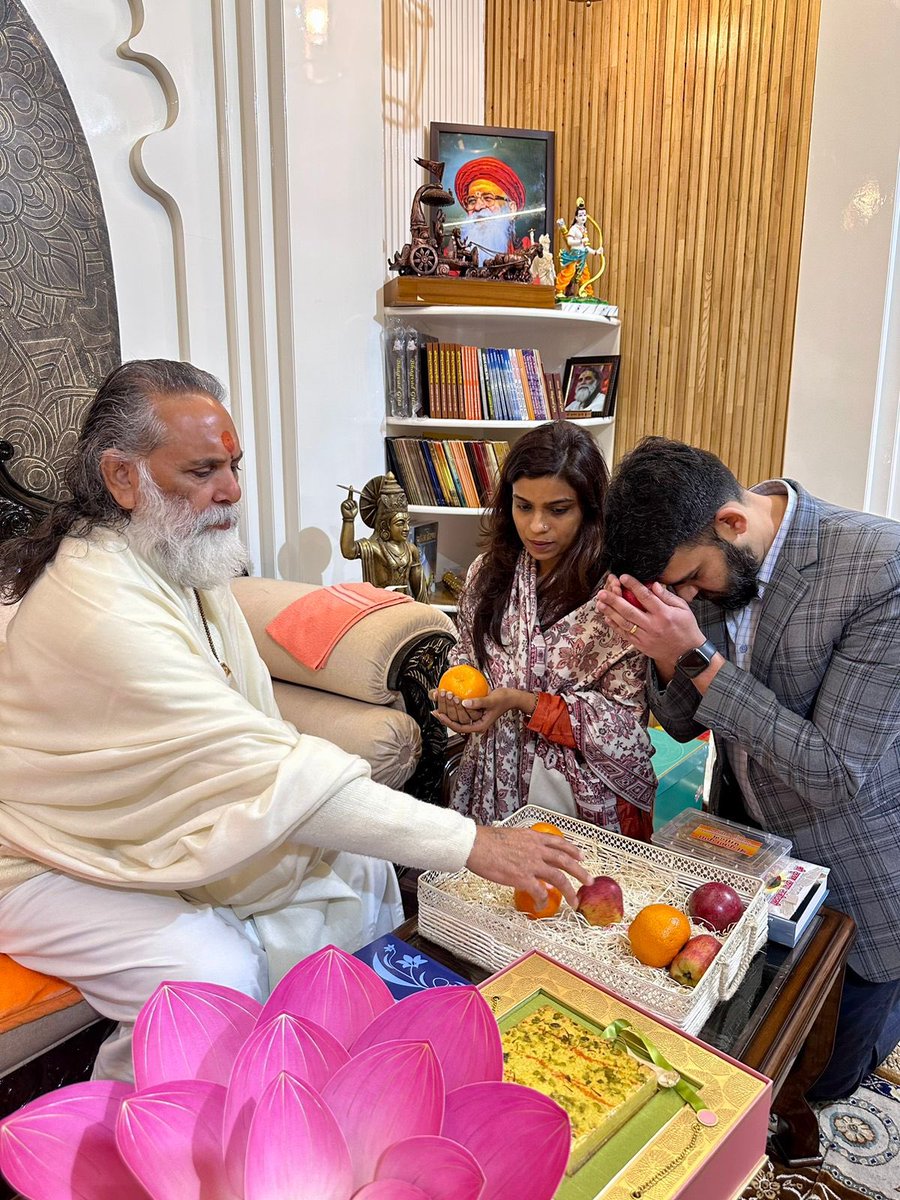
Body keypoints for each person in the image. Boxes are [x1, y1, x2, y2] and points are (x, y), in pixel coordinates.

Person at [0, 359, 588, 1083]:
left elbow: (252, 739)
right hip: (44, 855)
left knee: (362, 861)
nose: (233, 492)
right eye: (203, 471)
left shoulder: (170, 561)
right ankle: (149, 1150)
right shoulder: (100, 607)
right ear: (122, 477)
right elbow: (262, 768)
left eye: (235, 466)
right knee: (208, 970)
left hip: (135, 824)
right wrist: (473, 844)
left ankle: (346, 1075)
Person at [597, 436, 900, 1101]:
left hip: (853, 868)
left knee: (823, 1076)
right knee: (732, 1050)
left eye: (690, 580)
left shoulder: (880, 566)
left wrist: (698, 657)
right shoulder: (707, 552)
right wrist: (660, 650)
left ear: (732, 524)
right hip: (739, 852)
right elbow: (682, 722)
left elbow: (834, 773)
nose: (687, 596)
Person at [434, 421, 656, 838]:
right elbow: (465, 658)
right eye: (523, 506)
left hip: (575, 799)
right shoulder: (488, 574)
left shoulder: (616, 595)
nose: (537, 526)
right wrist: (458, 704)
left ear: (589, 509)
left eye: (558, 510)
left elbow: (626, 727)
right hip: (489, 781)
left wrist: (524, 702)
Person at [339, 472, 428, 601]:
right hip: (381, 605)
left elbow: (420, 591)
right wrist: (348, 519)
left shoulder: (411, 549)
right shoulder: (373, 547)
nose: (406, 528)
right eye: (400, 523)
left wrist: (426, 615)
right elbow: (348, 551)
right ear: (385, 526)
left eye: (407, 522)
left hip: (406, 606)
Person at [453, 156, 532, 265]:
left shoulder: (527, 249)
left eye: (488, 198)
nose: (477, 207)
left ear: (511, 209)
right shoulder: (453, 252)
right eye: (472, 201)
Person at [555, 199, 601, 298]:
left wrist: (596, 252)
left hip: (582, 256)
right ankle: (559, 290)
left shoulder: (584, 229)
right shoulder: (574, 229)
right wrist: (581, 241)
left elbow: (586, 247)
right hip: (575, 255)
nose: (583, 217)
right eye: (580, 215)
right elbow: (569, 242)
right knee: (569, 272)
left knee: (585, 274)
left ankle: (586, 291)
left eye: (584, 215)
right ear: (576, 217)